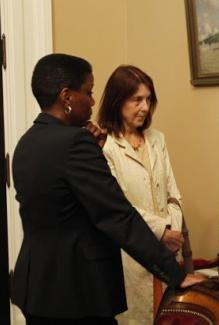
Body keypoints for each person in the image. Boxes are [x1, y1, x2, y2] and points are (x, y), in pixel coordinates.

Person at [11, 53, 203, 325]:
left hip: (36, 288)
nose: (91, 102)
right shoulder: (77, 143)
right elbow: (116, 215)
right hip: (76, 293)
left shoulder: (26, 142)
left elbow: (62, 205)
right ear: (66, 97)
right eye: (87, 93)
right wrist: (176, 273)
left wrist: (93, 153)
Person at [97, 65, 184, 324]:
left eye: (148, 99)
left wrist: (172, 230)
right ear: (117, 100)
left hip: (169, 253)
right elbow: (120, 206)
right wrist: (161, 232)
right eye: (137, 100)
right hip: (130, 259)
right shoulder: (105, 146)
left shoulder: (157, 139)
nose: (145, 107)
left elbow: (174, 195)